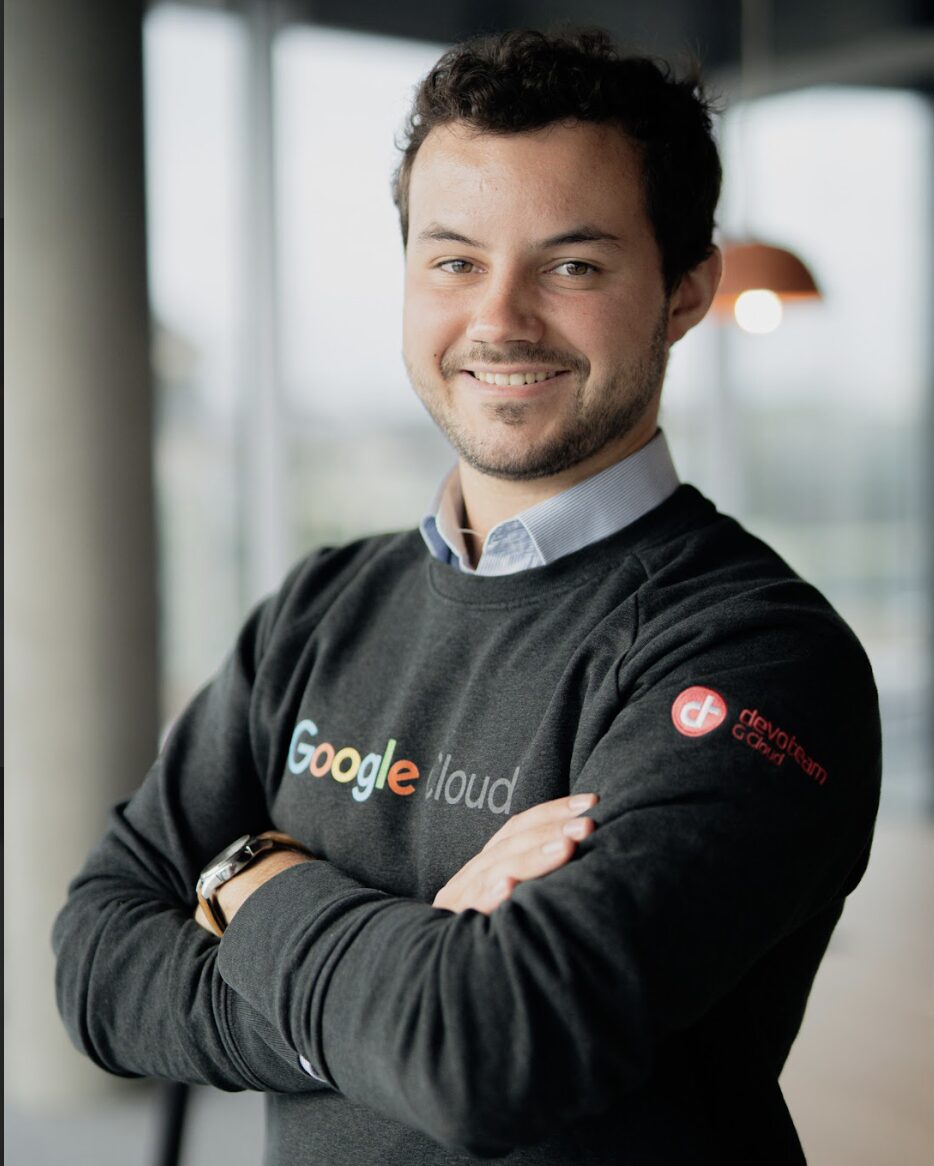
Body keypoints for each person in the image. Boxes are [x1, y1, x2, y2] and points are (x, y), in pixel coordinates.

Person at [53, 27, 881, 1165]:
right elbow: (96, 960)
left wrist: (249, 874)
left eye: (572, 264)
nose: (500, 317)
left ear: (685, 292)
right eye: (453, 260)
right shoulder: (321, 606)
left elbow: (490, 1051)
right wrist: (410, 968)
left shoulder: (753, 654)